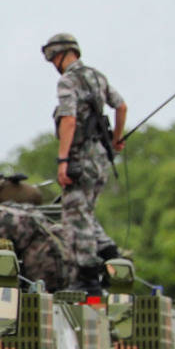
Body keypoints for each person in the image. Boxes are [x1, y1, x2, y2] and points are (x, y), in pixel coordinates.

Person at [45, 33, 127, 292]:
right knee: (85, 212)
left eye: (53, 59)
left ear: (61, 55)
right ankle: (111, 255)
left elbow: (69, 120)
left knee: (75, 217)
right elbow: (121, 106)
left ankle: (88, 278)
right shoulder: (97, 77)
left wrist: (63, 160)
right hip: (100, 157)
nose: (54, 65)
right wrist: (116, 139)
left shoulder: (68, 81)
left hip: (80, 158)